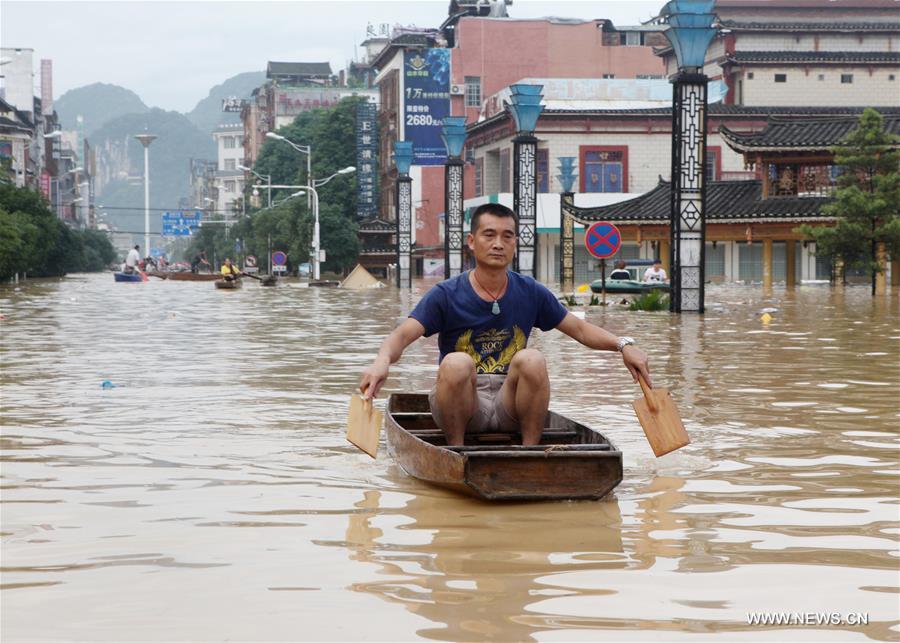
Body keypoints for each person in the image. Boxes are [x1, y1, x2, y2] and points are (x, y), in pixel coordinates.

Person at [359, 203, 652, 447]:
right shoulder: (446, 294)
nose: (498, 244)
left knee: (532, 358)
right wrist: (381, 361)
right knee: (457, 362)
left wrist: (623, 345)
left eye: (507, 236)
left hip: (510, 402)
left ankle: (530, 454)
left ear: (515, 243)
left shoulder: (531, 291)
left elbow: (579, 329)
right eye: (489, 235)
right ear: (472, 242)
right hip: (463, 404)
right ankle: (455, 453)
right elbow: (401, 335)